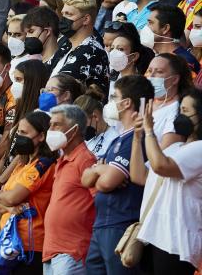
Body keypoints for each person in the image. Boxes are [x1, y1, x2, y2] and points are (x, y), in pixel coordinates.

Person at [81, 75, 150, 275]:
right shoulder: (116, 140)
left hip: (121, 225)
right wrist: (99, 169)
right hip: (102, 225)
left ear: (127, 102)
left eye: (114, 97)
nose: (110, 103)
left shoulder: (137, 138)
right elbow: (86, 179)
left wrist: (100, 170)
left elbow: (106, 183)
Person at [129, 92, 202, 275]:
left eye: (185, 111)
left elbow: (161, 166)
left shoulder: (200, 148)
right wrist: (138, 138)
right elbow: (139, 176)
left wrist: (149, 131)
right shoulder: (174, 148)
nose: (180, 117)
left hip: (175, 242)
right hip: (152, 236)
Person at [0, 111, 56, 274]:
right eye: (18, 132)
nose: (19, 137)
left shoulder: (43, 164)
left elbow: (11, 197)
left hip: (30, 245)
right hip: (10, 242)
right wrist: (8, 208)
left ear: (41, 136)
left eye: (24, 133)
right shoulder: (22, 165)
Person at [42, 104, 96, 275]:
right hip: (52, 250)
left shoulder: (85, 159)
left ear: (75, 130)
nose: (51, 130)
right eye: (50, 125)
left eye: (56, 125)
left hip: (73, 251)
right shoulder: (62, 160)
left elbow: (99, 201)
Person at [45, 0, 109, 92]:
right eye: (63, 14)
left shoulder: (92, 51)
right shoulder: (66, 45)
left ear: (86, 19)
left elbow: (58, 89)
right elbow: (43, 74)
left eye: (69, 14)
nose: (63, 19)